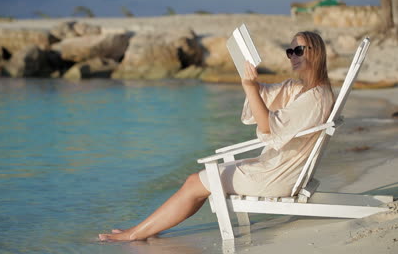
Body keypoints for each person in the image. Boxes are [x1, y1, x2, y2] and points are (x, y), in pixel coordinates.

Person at [98, 31, 334, 242]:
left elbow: (269, 126)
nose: (292, 55)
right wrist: (249, 79)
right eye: (290, 51)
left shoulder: (314, 98)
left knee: (194, 182)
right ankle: (145, 229)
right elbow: (266, 95)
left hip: (278, 175)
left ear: (316, 53)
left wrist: (250, 87)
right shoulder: (303, 90)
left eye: (299, 50)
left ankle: (135, 233)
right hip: (278, 167)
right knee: (197, 182)